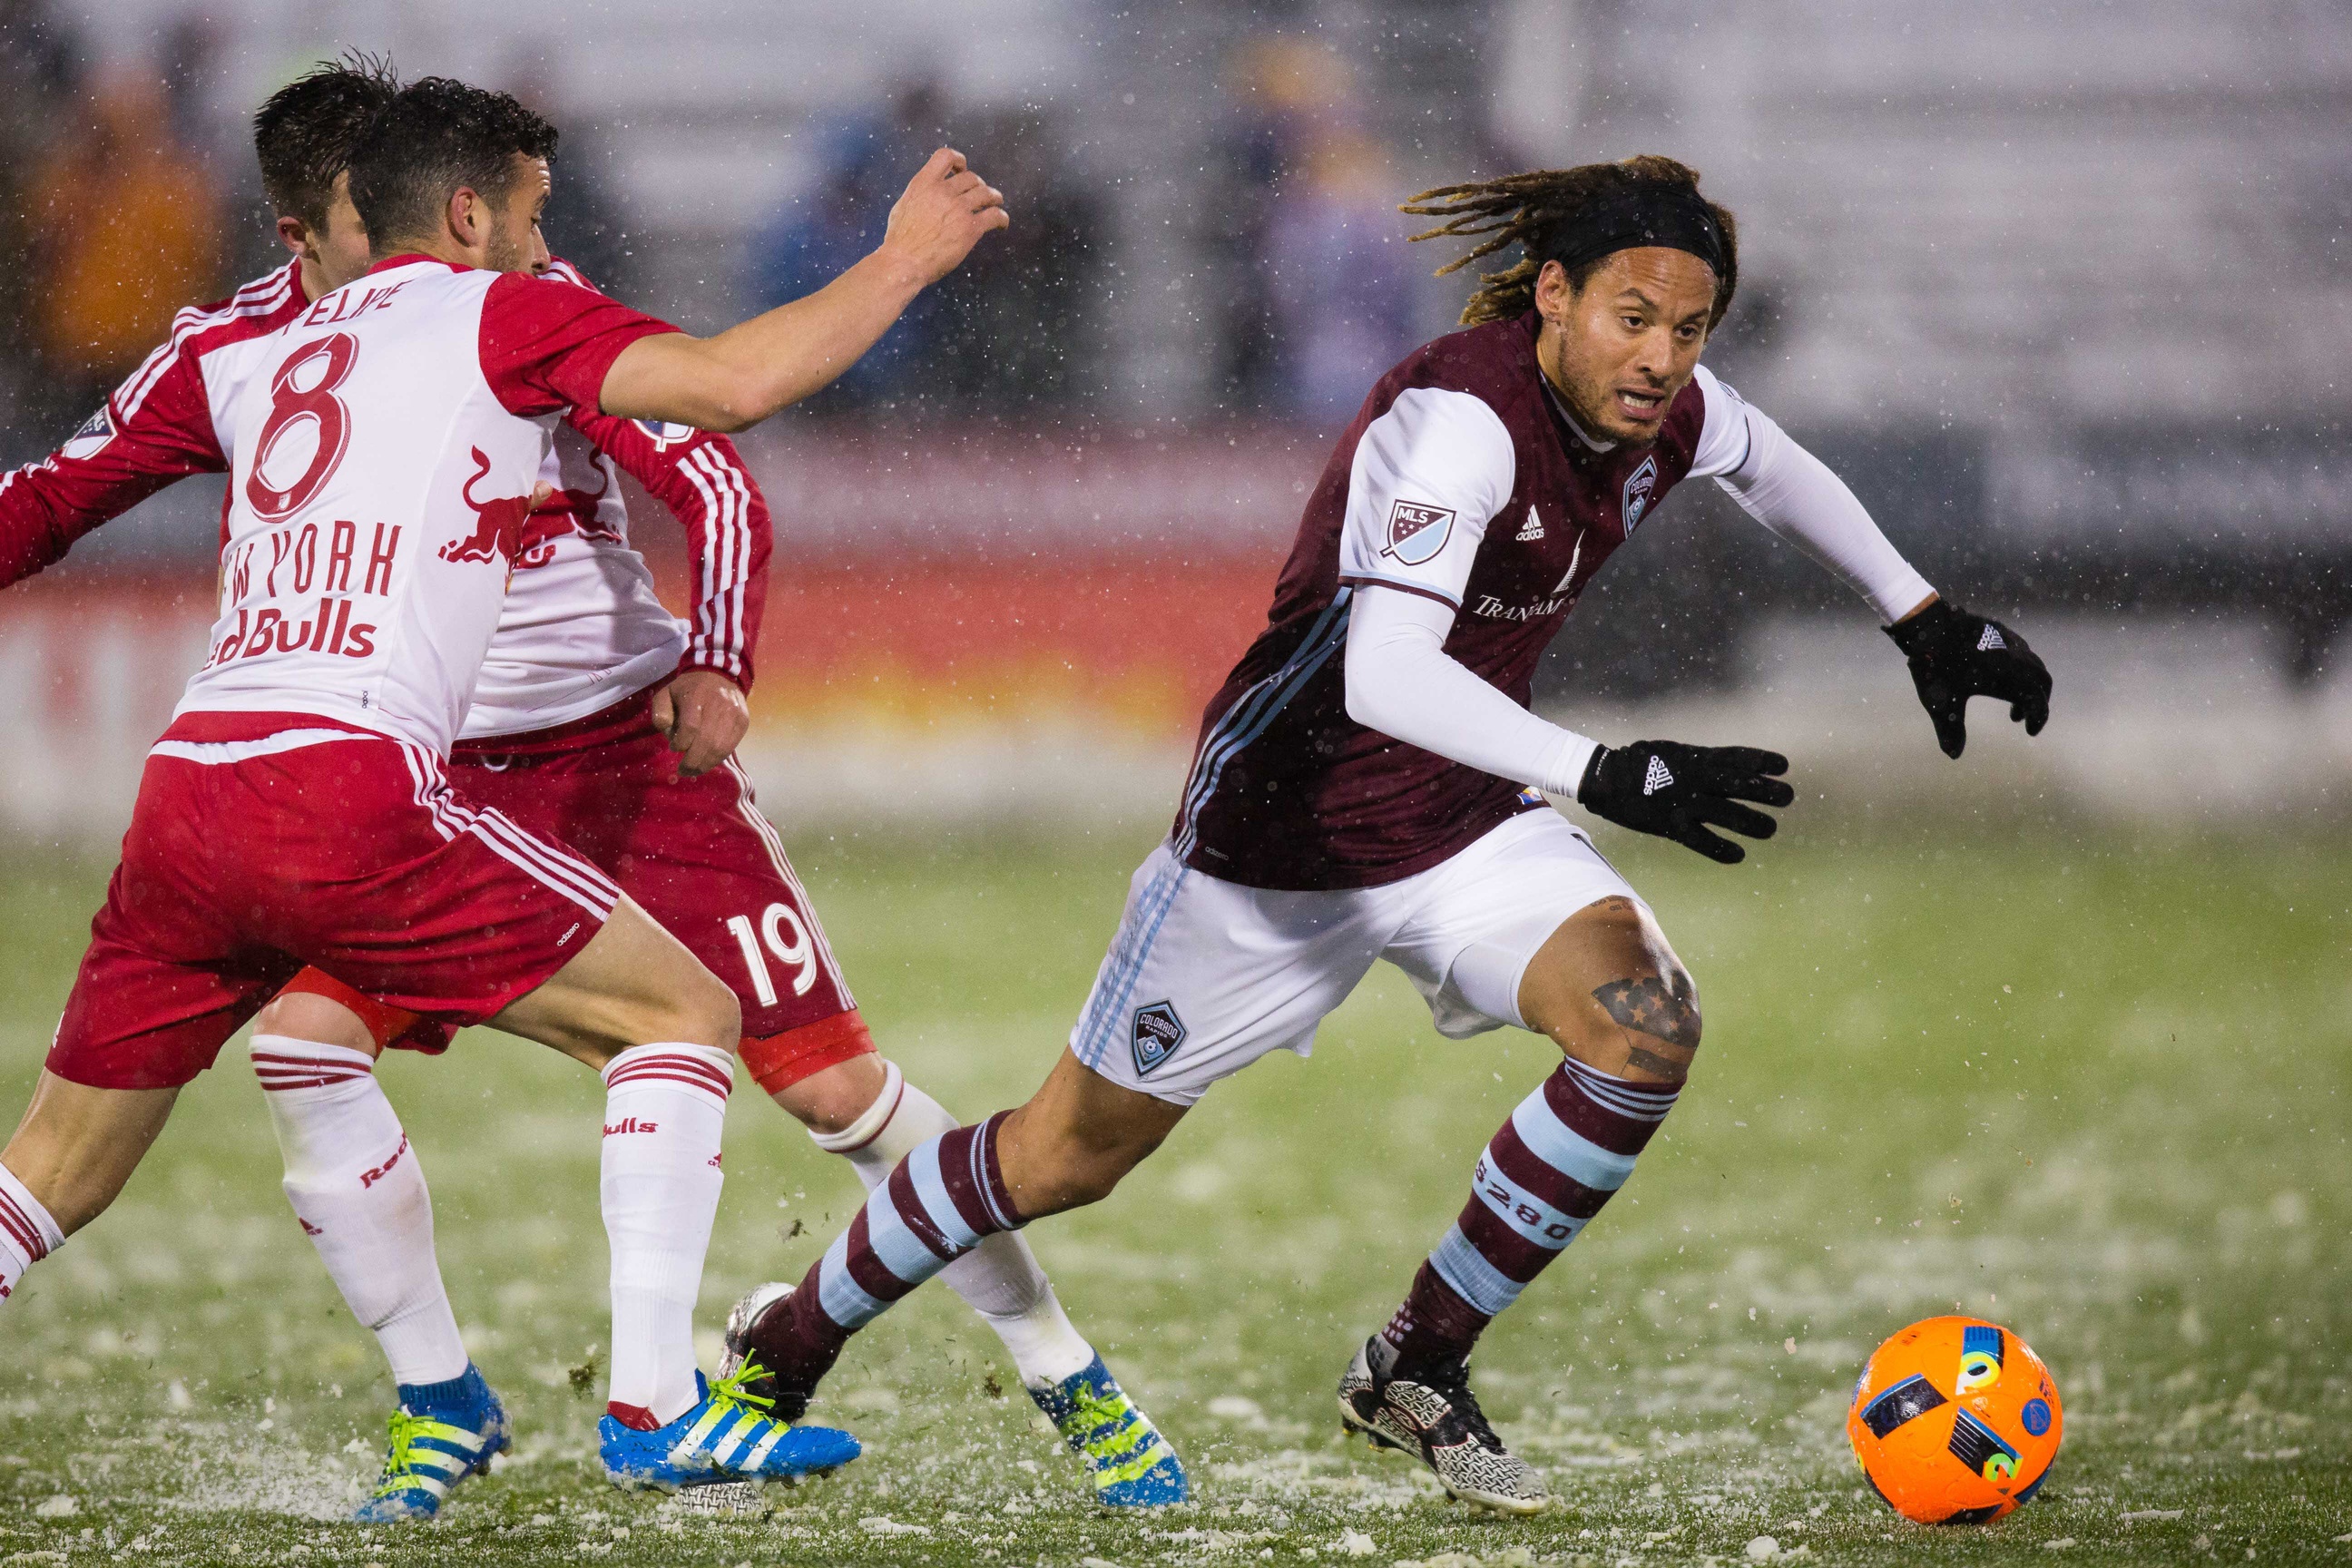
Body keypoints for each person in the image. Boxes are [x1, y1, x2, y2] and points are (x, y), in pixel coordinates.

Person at [719, 155, 2056, 1514]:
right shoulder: (1462, 424)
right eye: (1633, 318)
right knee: (1063, 1158)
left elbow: (1769, 463)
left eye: (1690, 329)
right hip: (1274, 850)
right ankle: (788, 1342)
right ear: (1554, 297)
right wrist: (1608, 772)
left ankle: (1417, 1364)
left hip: (1459, 823)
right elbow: (1386, 676)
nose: (1662, 359)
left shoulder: (1665, 409)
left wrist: (1922, 615)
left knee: (1644, 1028)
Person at [0, 56, 1184, 1518]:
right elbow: (51, 499)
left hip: (612, 758)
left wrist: (719, 659)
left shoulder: (518, 304)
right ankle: (455, 1399)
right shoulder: (252, 343)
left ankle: (1064, 1369)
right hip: (421, 783)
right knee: (308, 1046)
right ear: (307, 230)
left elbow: (718, 463)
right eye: (311, 245)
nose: (329, 269)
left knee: (834, 1087)